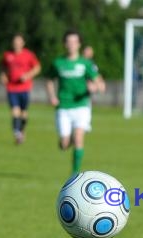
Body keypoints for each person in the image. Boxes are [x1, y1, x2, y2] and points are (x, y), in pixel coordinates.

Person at [46, 30, 103, 175]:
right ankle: (67, 139)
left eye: (74, 42)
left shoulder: (85, 64)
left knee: (78, 138)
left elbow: (100, 84)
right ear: (65, 44)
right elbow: (49, 80)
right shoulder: (58, 63)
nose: (71, 45)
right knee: (64, 144)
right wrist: (52, 96)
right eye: (68, 42)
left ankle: (74, 174)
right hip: (63, 107)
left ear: (79, 44)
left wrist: (95, 87)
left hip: (81, 106)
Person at [0, 33, 41, 144]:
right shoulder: (7, 55)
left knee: (23, 113)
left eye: (19, 41)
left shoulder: (28, 55)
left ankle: (22, 130)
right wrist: (3, 76)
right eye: (15, 41)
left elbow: (37, 68)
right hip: (12, 88)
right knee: (15, 111)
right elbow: (3, 67)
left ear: (23, 43)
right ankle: (17, 134)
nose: (17, 43)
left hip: (25, 88)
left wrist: (27, 75)